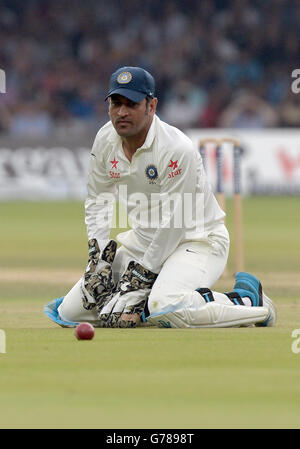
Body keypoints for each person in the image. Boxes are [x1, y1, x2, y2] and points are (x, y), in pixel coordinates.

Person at [44, 66, 276, 329]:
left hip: (198, 241)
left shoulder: (177, 148)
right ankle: (141, 306)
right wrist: (99, 261)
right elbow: (98, 200)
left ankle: (248, 300)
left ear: (151, 106)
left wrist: (139, 281)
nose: (121, 112)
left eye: (131, 104)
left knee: (166, 307)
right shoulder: (105, 139)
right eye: (116, 103)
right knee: (72, 312)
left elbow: (174, 223)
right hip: (143, 242)